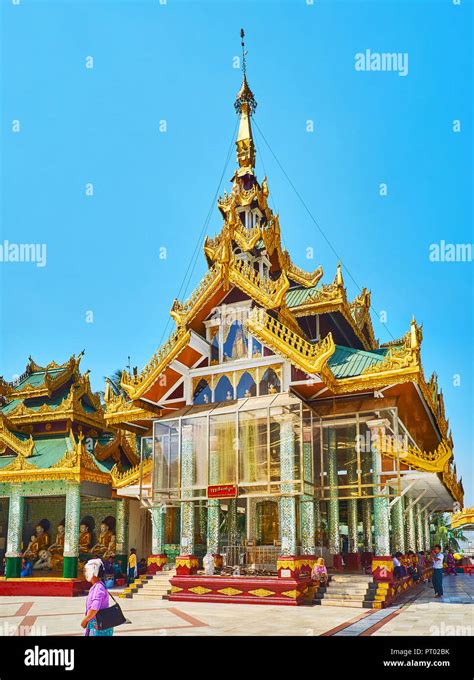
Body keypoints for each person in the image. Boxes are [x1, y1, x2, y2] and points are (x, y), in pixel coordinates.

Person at [81, 558, 113, 636]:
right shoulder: (97, 586)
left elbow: (94, 608)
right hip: (96, 624)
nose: (85, 573)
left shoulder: (98, 588)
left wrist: (84, 621)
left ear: (93, 571)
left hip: (98, 626)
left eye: (86, 571)